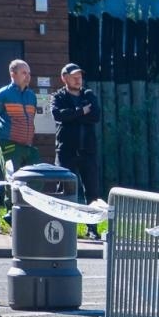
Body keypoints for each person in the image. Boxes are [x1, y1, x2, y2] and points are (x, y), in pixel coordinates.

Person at [50, 63, 101, 240]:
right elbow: (59, 115)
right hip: (66, 152)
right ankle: (65, 229)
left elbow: (95, 116)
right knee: (65, 190)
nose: (78, 79)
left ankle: (92, 228)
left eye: (80, 76)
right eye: (74, 77)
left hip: (88, 151)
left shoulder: (89, 95)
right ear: (64, 78)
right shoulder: (58, 97)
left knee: (92, 192)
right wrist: (81, 112)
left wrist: (73, 115)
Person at [0, 59, 40, 171]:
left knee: (36, 177)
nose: (28, 76)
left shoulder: (32, 96)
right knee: (12, 179)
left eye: (29, 73)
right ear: (13, 74)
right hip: (10, 145)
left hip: (28, 147)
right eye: (24, 73)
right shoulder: (2, 94)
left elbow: (31, 120)